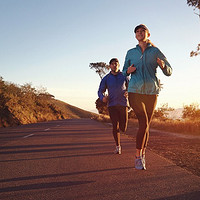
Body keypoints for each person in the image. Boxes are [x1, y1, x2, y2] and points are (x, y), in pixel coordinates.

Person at [122, 24, 172, 170]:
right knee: (143, 121)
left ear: (148, 34)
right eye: (137, 31)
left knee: (146, 126)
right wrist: (128, 71)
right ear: (135, 35)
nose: (139, 33)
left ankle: (143, 154)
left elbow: (169, 71)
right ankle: (138, 156)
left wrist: (162, 65)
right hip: (135, 91)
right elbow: (124, 71)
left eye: (142, 31)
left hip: (151, 92)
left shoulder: (155, 51)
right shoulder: (131, 52)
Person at [98, 58, 129, 154]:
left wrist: (129, 92)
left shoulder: (124, 76)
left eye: (116, 64)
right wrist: (102, 97)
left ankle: (120, 130)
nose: (114, 65)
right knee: (115, 126)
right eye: (112, 64)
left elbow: (131, 86)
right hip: (112, 105)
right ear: (110, 66)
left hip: (123, 104)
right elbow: (100, 91)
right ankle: (118, 146)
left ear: (118, 65)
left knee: (123, 127)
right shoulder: (106, 78)